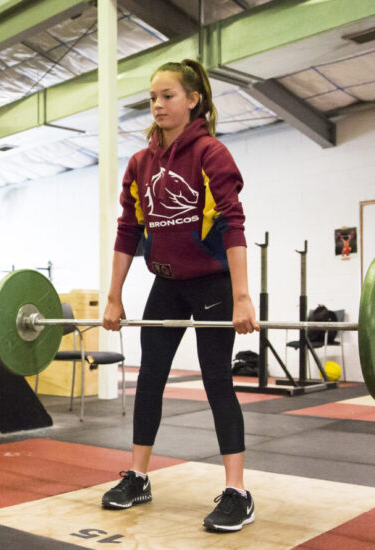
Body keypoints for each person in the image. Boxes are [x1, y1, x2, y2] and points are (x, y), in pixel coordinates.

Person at [99, 59, 259, 533]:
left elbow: (232, 225)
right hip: (166, 285)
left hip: (211, 285)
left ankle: (237, 492)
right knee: (148, 379)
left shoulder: (212, 154)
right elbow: (128, 232)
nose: (157, 104)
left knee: (216, 382)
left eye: (168, 95)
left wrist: (242, 296)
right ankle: (140, 476)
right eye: (153, 97)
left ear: (193, 99)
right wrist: (113, 297)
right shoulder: (139, 164)